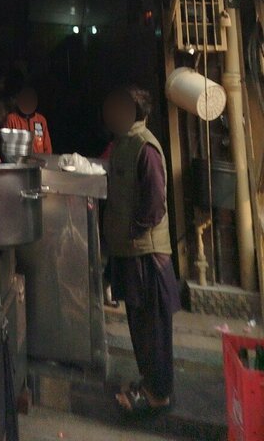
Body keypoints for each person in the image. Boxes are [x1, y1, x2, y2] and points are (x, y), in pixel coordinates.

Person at [101, 85, 180, 418]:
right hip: (130, 253)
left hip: (147, 256)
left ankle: (158, 394)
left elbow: (155, 203)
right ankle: (150, 384)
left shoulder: (145, 147)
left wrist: (132, 233)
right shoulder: (122, 143)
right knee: (140, 325)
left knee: (153, 328)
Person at [3, 84, 52, 155]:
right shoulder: (11, 119)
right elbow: (6, 147)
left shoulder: (41, 120)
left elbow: (48, 148)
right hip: (19, 162)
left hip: (40, 162)